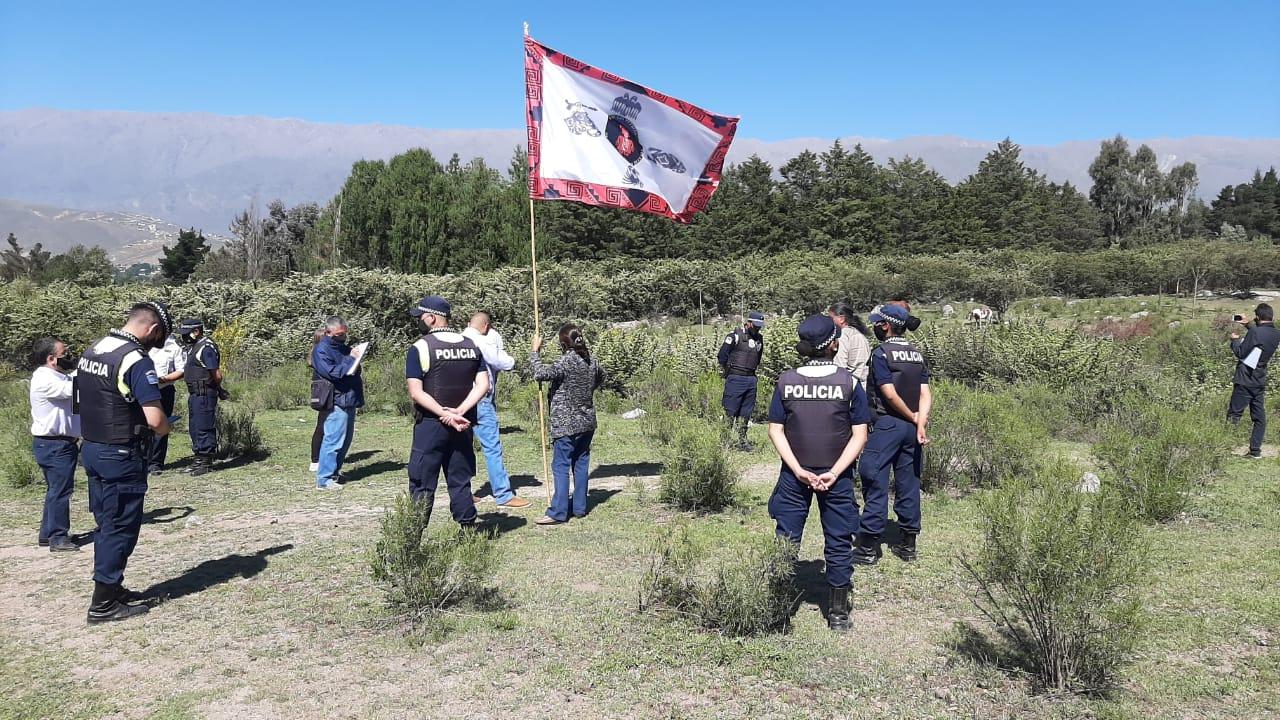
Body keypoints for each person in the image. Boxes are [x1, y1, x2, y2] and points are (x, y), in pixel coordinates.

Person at [766, 314, 870, 632]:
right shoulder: (849, 383)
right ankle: (837, 614)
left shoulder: (785, 381)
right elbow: (860, 435)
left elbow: (775, 430)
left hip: (793, 476)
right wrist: (835, 472)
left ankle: (778, 609)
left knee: (786, 538)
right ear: (834, 345)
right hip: (837, 477)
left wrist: (797, 469)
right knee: (839, 539)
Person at [76, 300, 173, 623]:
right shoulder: (135, 359)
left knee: (106, 524)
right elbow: (156, 420)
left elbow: (81, 400)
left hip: (93, 447)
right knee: (120, 528)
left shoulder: (94, 349)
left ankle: (112, 588)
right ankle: (103, 604)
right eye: (158, 338)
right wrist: (166, 427)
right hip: (120, 453)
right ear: (153, 329)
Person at [856, 303, 932, 565]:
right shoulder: (917, 354)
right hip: (912, 430)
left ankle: (868, 548)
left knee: (874, 478)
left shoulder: (881, 354)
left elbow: (888, 393)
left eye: (877, 323)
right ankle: (908, 545)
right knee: (909, 483)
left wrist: (910, 416)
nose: (875, 327)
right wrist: (919, 422)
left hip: (888, 425)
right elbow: (925, 394)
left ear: (886, 326)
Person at [405, 296, 490, 526]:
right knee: (461, 481)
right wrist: (459, 411)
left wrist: (445, 414)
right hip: (463, 423)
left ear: (432, 318)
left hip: (431, 425)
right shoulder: (471, 345)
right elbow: (483, 385)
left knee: (422, 483)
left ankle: (412, 537)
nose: (419, 321)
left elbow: (416, 392)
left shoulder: (420, 347)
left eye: (421, 317)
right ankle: (468, 533)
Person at [531, 324, 606, 526]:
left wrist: (535, 352)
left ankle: (558, 512)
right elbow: (602, 376)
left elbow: (540, 373)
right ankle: (579, 508)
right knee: (580, 464)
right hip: (587, 422)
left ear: (563, 343)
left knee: (561, 466)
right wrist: (587, 391)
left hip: (566, 424)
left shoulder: (566, 362)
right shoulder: (592, 361)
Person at [462, 311, 531, 509]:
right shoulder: (482, 341)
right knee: (492, 448)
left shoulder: (458, 340)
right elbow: (504, 362)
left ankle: (463, 491)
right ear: (485, 326)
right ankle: (503, 494)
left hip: (460, 399)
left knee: (462, 447)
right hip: (480, 398)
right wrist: (496, 342)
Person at [29, 337, 82, 553]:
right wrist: (91, 369)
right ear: (51, 359)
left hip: (59, 444)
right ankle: (58, 537)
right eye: (65, 354)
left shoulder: (58, 376)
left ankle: (47, 534)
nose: (69, 357)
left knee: (55, 490)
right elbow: (75, 390)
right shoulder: (45, 379)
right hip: (54, 445)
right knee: (60, 491)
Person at [311, 315, 365, 489]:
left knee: (345, 440)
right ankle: (324, 479)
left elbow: (352, 369)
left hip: (349, 397)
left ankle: (334, 473)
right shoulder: (321, 350)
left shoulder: (343, 348)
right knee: (333, 440)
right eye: (339, 334)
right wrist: (351, 359)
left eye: (344, 334)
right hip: (336, 399)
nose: (343, 337)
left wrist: (354, 361)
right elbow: (333, 373)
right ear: (328, 332)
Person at [1229, 303, 1279, 459]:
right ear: (1272, 316)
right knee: (1259, 418)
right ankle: (1255, 450)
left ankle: (1223, 447)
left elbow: (1241, 353)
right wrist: (1248, 325)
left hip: (1245, 379)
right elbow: (1262, 337)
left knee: (1234, 415)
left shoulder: (1255, 331)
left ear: (1257, 317)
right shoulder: (1276, 334)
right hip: (1259, 380)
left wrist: (1235, 340)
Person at [175, 319, 223, 477]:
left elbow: (216, 375)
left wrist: (215, 388)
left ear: (196, 331)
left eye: (186, 334)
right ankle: (198, 459)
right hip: (195, 394)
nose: (184, 337)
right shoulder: (194, 347)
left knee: (204, 427)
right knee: (195, 427)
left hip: (204, 393)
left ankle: (206, 461)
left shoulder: (206, 348)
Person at [718, 311, 765, 450]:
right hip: (735, 378)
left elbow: (758, 358)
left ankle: (742, 441)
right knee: (730, 411)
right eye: (755, 325)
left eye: (760, 326)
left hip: (751, 379)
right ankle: (724, 442)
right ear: (748, 323)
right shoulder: (734, 336)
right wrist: (730, 371)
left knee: (746, 412)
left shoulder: (759, 340)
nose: (757, 328)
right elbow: (722, 356)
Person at [146, 327, 186, 475]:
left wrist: (163, 379)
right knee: (142, 426)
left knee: (161, 426)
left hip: (164, 390)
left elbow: (181, 370)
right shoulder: (145, 344)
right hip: (144, 390)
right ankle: (141, 460)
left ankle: (155, 463)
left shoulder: (174, 347)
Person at [828, 302, 872, 384]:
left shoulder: (842, 335)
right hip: (862, 382)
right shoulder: (859, 334)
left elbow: (840, 365)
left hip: (848, 383)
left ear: (841, 319)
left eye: (830, 318)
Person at [306, 327, 329, 473]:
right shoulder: (320, 355)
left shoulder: (316, 354)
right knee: (321, 426)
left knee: (323, 425)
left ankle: (318, 458)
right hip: (325, 392)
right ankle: (315, 460)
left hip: (323, 392)